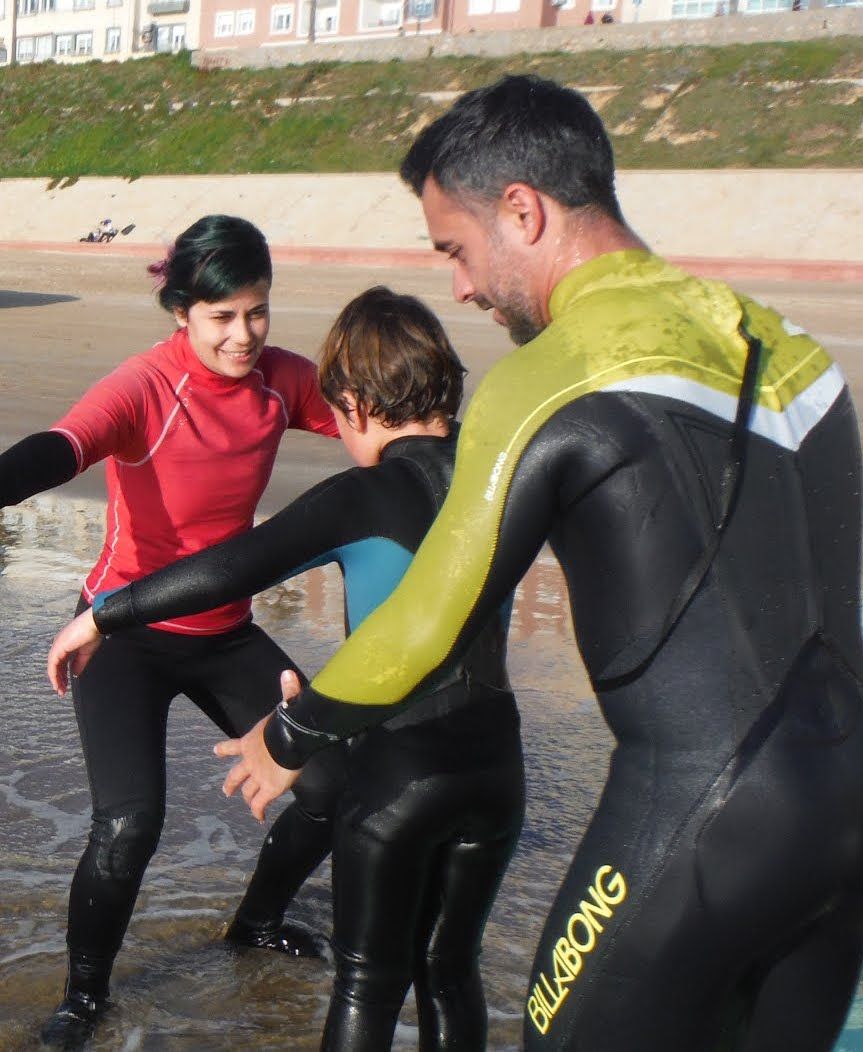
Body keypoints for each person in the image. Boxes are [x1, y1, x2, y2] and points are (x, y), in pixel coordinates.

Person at [216, 74, 863, 1050]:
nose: (457, 287)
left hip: (704, 813)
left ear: (521, 211)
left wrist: (286, 735)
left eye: (454, 250)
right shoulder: (790, 348)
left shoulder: (548, 374)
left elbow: (427, 620)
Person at [0, 215, 342, 1048]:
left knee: (333, 785)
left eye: (257, 313)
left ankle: (255, 923)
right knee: (130, 825)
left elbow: (376, 422)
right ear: (182, 313)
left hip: (226, 632)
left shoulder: (282, 381)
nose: (243, 335)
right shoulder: (147, 388)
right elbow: (61, 445)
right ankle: (84, 997)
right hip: (119, 632)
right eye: (222, 317)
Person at [46, 286, 523, 1051]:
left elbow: (228, 569)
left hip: (399, 778)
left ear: (360, 405)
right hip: (499, 777)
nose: (340, 434)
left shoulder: (364, 495)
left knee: (367, 983)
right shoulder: (506, 473)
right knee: (450, 971)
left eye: (337, 417)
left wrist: (103, 613)